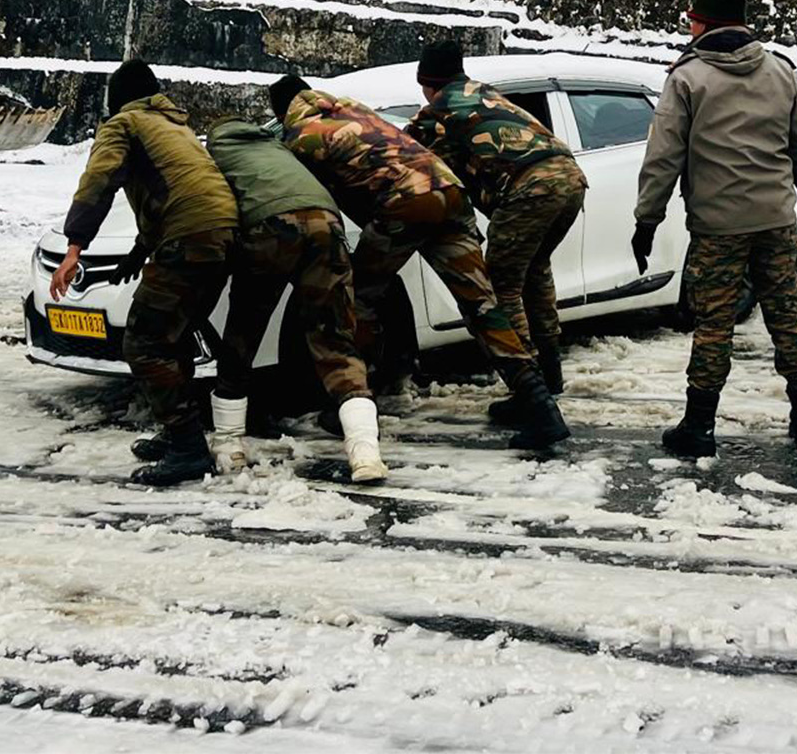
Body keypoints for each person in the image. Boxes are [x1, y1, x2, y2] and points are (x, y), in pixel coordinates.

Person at [270, 74, 569, 450]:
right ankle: (538, 403)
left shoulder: (302, 134)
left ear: (281, 112)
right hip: (449, 193)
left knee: (358, 298)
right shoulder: (353, 109)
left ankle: (352, 399)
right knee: (482, 305)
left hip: (405, 204)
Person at [635, 0, 797, 457]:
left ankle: (699, 427)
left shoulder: (687, 78)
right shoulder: (782, 73)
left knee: (714, 325)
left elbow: (664, 156)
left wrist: (647, 218)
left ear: (701, 22)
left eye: (691, 17)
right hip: (775, 220)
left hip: (718, 226)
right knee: (786, 318)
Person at [50, 60, 238, 486]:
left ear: (117, 100)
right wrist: (138, 254)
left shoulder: (124, 123)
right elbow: (173, 191)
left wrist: (75, 247)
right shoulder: (174, 126)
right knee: (176, 335)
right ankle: (179, 432)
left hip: (190, 237)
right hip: (222, 235)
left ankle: (188, 448)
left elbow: (99, 179)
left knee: (144, 340)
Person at [408, 41, 589, 425]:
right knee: (535, 269)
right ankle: (550, 368)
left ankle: (528, 388)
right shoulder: (486, 93)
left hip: (531, 189)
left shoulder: (437, 111)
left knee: (501, 284)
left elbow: (403, 154)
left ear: (427, 81)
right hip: (571, 178)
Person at [206, 117, 385, 484]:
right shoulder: (279, 148)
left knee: (243, 331)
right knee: (336, 338)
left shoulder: (219, 153)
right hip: (327, 224)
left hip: (270, 226)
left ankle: (228, 445)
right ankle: (365, 452)